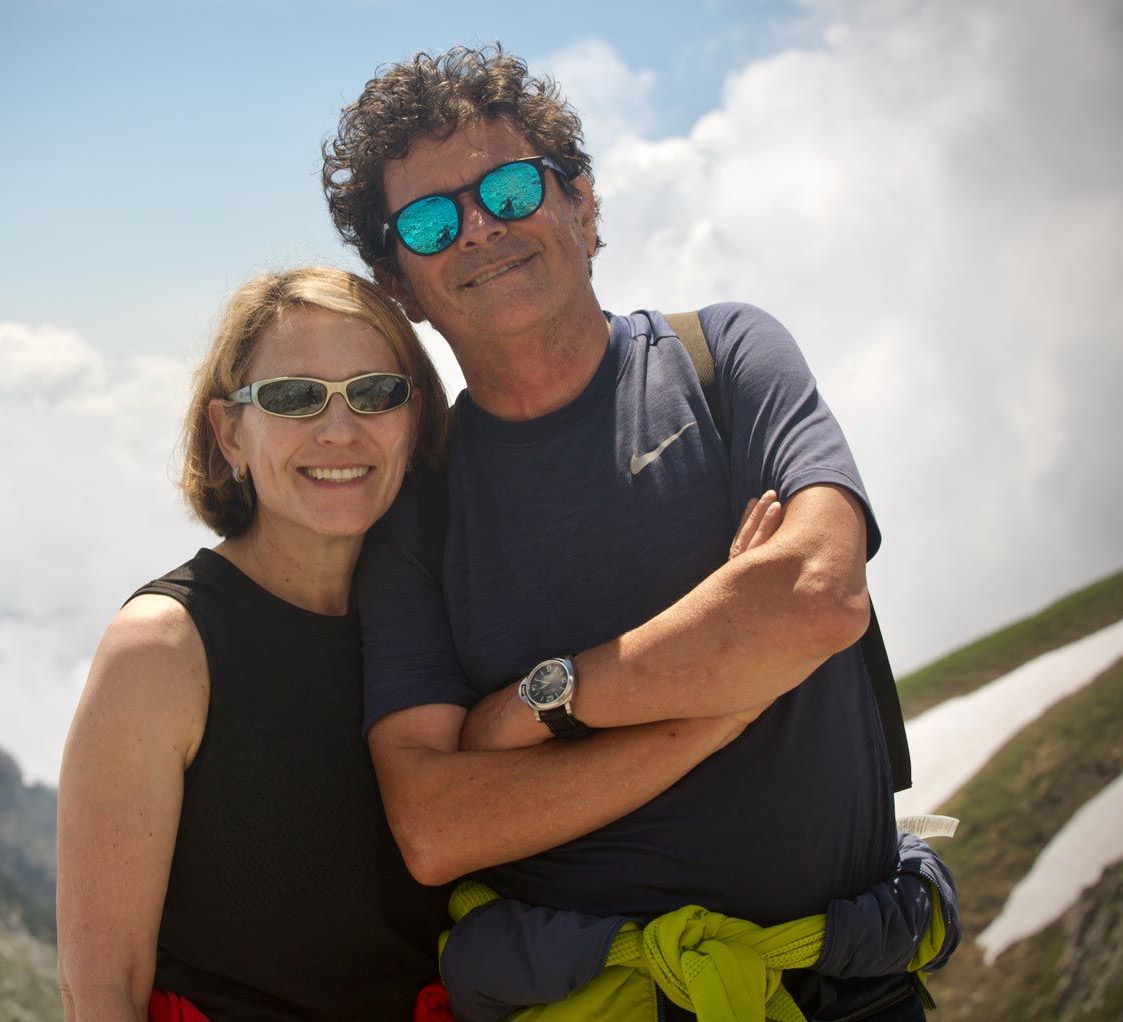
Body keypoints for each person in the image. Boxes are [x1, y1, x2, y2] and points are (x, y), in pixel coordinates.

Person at [321, 46, 956, 1020]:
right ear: (398, 278)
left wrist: (530, 707)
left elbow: (817, 594)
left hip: (852, 990)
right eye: (431, 218)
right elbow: (433, 826)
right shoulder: (418, 514)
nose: (478, 228)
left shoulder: (724, 357)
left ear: (579, 200)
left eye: (508, 185)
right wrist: (723, 701)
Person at [55, 268, 459, 1020]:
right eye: (294, 397)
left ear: (414, 418)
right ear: (230, 433)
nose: (340, 430)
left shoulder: (444, 617)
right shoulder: (164, 650)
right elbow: (100, 988)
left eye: (374, 392)